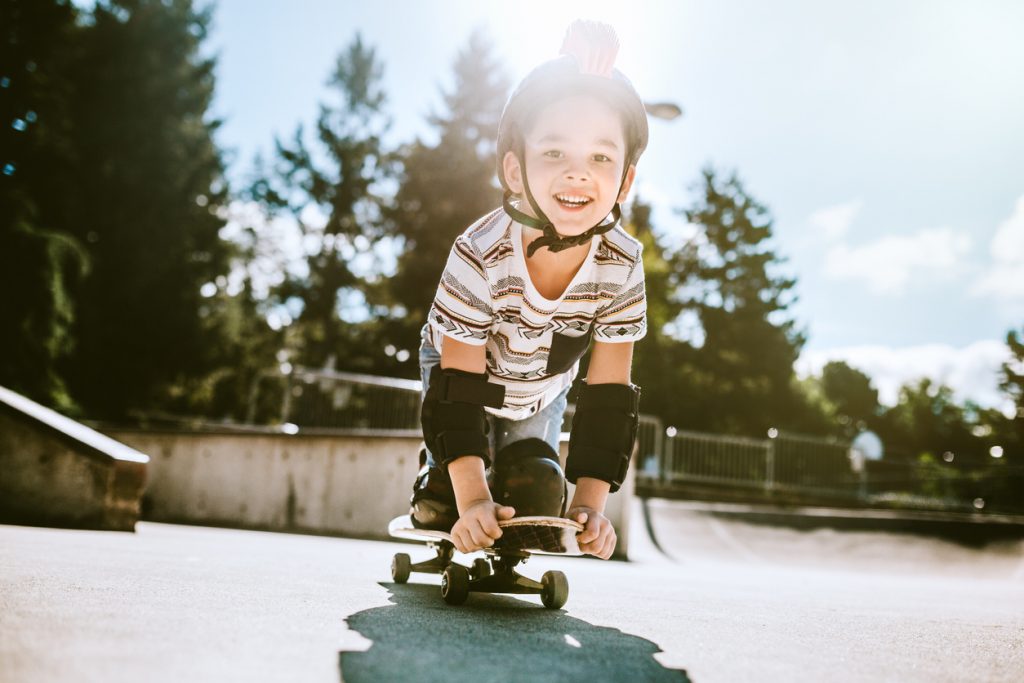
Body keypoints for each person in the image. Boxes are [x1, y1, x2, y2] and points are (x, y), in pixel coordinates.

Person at [410, 20, 648, 561]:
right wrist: (471, 498)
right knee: (449, 499)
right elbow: (459, 382)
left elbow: (609, 393)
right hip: (463, 371)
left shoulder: (622, 265)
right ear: (516, 171)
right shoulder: (479, 252)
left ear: (625, 181)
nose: (578, 175)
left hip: (541, 385)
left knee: (538, 490)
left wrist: (589, 505)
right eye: (555, 154)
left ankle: (510, 530)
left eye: (601, 158)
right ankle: (435, 482)